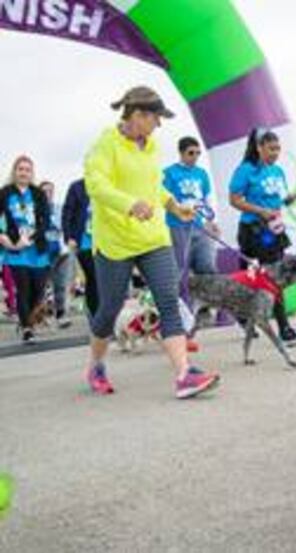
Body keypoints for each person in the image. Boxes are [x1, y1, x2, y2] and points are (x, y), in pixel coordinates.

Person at [82, 85, 220, 399]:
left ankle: (184, 374)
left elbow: (154, 186)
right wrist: (129, 204)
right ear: (137, 115)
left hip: (154, 238)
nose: (159, 125)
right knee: (109, 309)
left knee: (169, 300)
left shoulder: (152, 145)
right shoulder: (106, 144)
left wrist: (173, 205)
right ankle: (96, 364)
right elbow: (96, 185)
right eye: (156, 118)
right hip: (115, 242)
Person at [229, 128, 296, 347]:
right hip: (253, 231)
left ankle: (282, 328)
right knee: (255, 277)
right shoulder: (246, 170)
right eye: (271, 148)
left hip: (274, 230)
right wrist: (260, 211)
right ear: (259, 147)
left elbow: (279, 201)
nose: (275, 153)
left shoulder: (277, 171)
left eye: (278, 148)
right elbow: (234, 200)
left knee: (273, 277)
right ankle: (277, 327)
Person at [163, 136, 220, 352]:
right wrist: (178, 208)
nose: (195, 157)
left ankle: (206, 309)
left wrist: (211, 222)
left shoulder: (202, 174)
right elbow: (165, 200)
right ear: (181, 153)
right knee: (179, 275)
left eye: (197, 153)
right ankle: (180, 327)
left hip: (199, 226)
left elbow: (205, 201)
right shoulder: (169, 173)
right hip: (178, 226)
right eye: (190, 153)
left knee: (208, 267)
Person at [0, 156, 51, 343]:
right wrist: (7, 241)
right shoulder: (4, 193)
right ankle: (27, 328)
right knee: (23, 289)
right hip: (15, 251)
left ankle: (28, 320)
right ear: (15, 171)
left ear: (32, 173)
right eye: (20, 169)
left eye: (27, 169)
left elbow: (46, 221)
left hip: (36, 249)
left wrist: (31, 237)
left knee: (37, 290)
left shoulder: (38, 194)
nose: (23, 173)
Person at [38, 180, 73, 329]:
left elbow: (67, 224)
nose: (48, 194)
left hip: (62, 252)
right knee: (41, 288)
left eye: (50, 191)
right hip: (44, 254)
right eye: (45, 191)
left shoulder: (59, 209)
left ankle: (60, 315)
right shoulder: (35, 210)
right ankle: (38, 317)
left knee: (60, 285)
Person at [62, 179, 98, 320]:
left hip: (105, 242)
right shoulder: (76, 187)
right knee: (93, 276)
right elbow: (67, 212)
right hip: (84, 242)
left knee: (102, 279)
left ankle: (100, 314)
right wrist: (68, 236)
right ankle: (95, 316)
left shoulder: (107, 184)